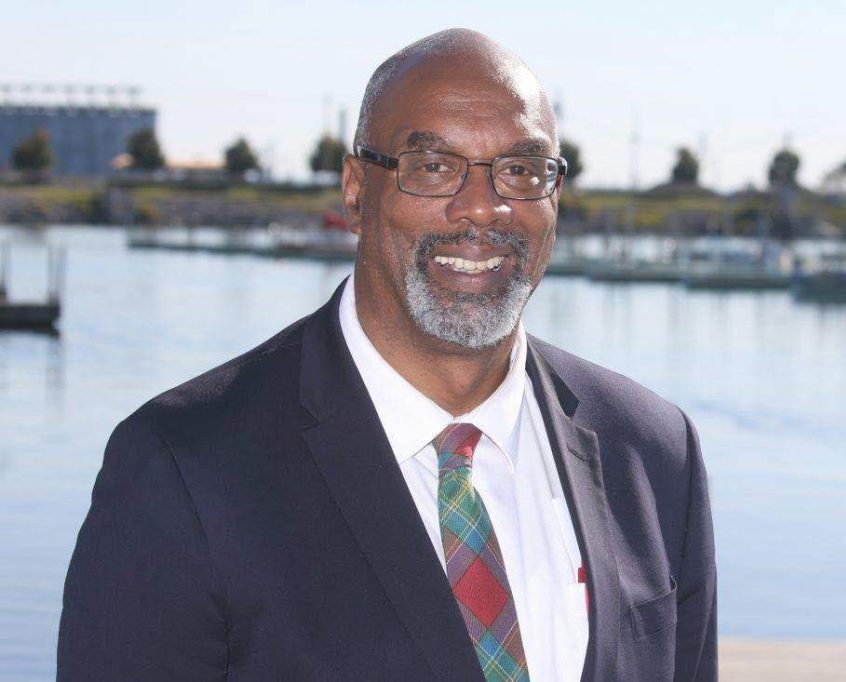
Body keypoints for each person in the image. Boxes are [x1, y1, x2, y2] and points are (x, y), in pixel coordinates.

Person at [57, 28, 716, 682]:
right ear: (355, 191)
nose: (482, 208)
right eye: (432, 167)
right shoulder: (184, 468)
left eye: (520, 170)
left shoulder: (653, 451)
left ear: (555, 195)